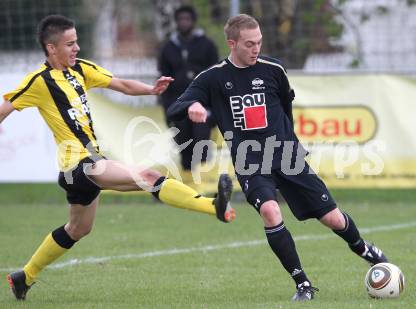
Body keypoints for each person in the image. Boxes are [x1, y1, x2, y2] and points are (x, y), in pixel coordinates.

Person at [0, 14, 236, 301]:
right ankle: (215, 207)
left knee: (77, 229)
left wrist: (150, 89)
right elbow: (5, 107)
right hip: (78, 164)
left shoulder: (81, 70)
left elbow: (121, 84)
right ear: (51, 49)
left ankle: (23, 277)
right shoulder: (38, 81)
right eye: (70, 44)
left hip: (89, 163)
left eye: (77, 42)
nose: (76, 48)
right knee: (148, 176)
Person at [167, 14, 388, 302]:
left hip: (286, 155)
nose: (256, 49)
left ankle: (364, 250)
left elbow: (285, 106)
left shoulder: (273, 69)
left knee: (332, 218)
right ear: (232, 43)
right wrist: (194, 105)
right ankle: (303, 284)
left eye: (258, 42)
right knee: (271, 211)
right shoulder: (213, 77)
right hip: (250, 162)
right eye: (249, 44)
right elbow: (176, 107)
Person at [158, 5, 219, 176]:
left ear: (193, 21)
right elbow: (164, 81)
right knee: (184, 143)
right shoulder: (168, 47)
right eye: (181, 19)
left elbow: (215, 77)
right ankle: (189, 183)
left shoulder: (207, 45)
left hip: (202, 104)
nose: (184, 22)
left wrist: (214, 109)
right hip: (179, 105)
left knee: (201, 141)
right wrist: (168, 109)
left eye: (187, 19)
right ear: (176, 22)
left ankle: (205, 183)